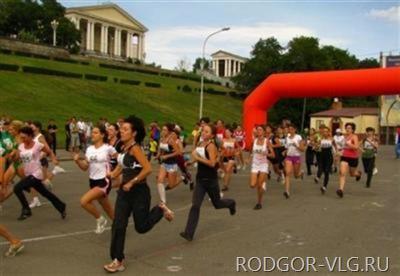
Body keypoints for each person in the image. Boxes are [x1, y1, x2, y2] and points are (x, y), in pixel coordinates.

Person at [104, 115, 173, 273]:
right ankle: (117, 259)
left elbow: (147, 169)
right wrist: (112, 175)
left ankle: (160, 209)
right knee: (118, 225)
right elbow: (122, 165)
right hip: (124, 192)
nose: (122, 131)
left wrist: (132, 182)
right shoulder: (123, 147)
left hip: (139, 192)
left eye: (125, 129)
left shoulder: (136, 148)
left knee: (141, 227)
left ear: (134, 133)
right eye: (121, 128)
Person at [180, 124, 236, 242]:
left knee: (217, 204)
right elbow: (198, 156)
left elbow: (211, 164)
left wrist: (197, 158)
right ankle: (189, 233)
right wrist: (191, 162)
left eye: (206, 132)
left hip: (210, 180)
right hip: (200, 179)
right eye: (203, 131)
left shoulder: (211, 146)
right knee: (195, 205)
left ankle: (231, 203)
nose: (203, 133)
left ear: (211, 135)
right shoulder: (201, 144)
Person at [13, 126, 66, 220]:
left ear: (30, 136)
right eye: (21, 137)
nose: (22, 139)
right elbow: (17, 158)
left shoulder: (37, 145)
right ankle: (61, 206)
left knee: (17, 188)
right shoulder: (21, 146)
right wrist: (13, 155)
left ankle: (26, 210)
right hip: (28, 174)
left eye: (24, 137)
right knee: (45, 193)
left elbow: (48, 151)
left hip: (36, 173)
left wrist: (52, 159)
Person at [73, 125, 116, 234]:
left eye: (96, 132)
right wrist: (78, 161)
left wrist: (114, 172)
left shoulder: (108, 148)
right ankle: (119, 225)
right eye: (92, 132)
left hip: (104, 181)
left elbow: (120, 161)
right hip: (93, 181)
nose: (92, 134)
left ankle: (100, 219)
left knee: (84, 201)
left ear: (102, 135)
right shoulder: (89, 149)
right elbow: (85, 167)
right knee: (107, 208)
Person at [155, 123, 182, 209]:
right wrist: (158, 155)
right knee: (160, 180)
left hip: (172, 164)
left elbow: (178, 152)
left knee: (171, 185)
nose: (162, 131)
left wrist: (167, 156)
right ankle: (163, 201)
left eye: (165, 130)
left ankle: (182, 178)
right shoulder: (162, 138)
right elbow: (161, 148)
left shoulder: (171, 140)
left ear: (169, 131)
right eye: (162, 130)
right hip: (164, 163)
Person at [249, 125, 275, 210]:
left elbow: (273, 155)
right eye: (257, 130)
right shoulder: (254, 141)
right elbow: (250, 151)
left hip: (263, 164)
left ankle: (259, 202)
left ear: (264, 132)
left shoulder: (267, 141)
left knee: (259, 186)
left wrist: (266, 154)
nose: (258, 131)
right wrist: (247, 158)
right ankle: (262, 184)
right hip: (255, 164)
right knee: (252, 185)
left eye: (260, 130)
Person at [337, 123, 362, 198]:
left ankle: (358, 174)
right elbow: (342, 146)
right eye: (347, 128)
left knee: (352, 174)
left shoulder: (354, 136)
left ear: (353, 129)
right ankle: (340, 190)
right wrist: (340, 150)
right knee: (342, 173)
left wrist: (350, 144)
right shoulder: (344, 137)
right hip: (344, 157)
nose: (348, 129)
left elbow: (356, 147)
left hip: (353, 158)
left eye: (349, 128)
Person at [283, 124, 305, 199]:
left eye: (292, 129)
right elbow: (287, 147)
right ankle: (287, 191)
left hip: (296, 157)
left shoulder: (298, 137)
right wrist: (284, 151)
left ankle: (301, 173)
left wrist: (297, 146)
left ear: (295, 130)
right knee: (287, 173)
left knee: (296, 176)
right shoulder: (287, 138)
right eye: (289, 129)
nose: (290, 130)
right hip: (289, 157)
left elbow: (302, 149)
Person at [315, 126, 334, 194]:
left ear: (328, 132)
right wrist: (315, 146)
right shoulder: (321, 139)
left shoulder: (331, 139)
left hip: (329, 157)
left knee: (326, 171)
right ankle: (321, 181)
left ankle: (324, 186)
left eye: (326, 131)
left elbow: (336, 148)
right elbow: (316, 147)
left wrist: (337, 154)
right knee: (322, 169)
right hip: (322, 156)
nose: (325, 132)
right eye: (324, 131)